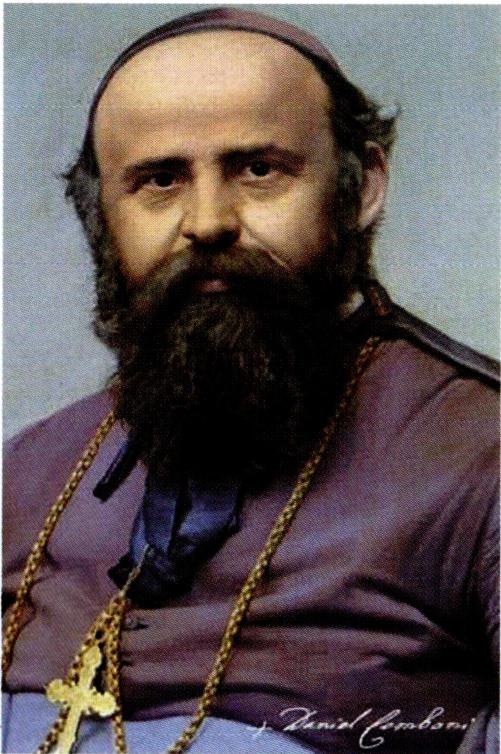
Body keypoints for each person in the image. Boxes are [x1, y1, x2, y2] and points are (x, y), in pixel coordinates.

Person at [2, 8, 498, 754]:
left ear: (362, 186)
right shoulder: (29, 469)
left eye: (258, 170)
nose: (208, 222)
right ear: (101, 215)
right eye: (160, 180)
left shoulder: (479, 452)